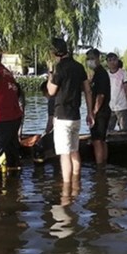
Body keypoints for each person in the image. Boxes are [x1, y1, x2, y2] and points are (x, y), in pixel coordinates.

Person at [47, 37, 94, 184]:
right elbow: (88, 91)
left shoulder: (59, 68)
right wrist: (90, 112)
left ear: (55, 53)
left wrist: (50, 73)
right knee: (74, 151)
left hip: (62, 117)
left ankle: (67, 190)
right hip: (76, 116)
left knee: (64, 154)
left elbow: (51, 91)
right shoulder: (79, 67)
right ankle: (76, 186)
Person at [86, 48, 111, 164]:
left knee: (97, 141)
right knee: (102, 139)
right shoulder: (97, 74)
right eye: (88, 59)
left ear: (97, 58)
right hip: (103, 111)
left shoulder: (101, 74)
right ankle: (104, 164)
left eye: (91, 58)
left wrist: (94, 112)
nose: (89, 61)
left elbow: (100, 95)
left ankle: (100, 166)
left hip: (101, 112)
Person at [106, 52, 127, 132]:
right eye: (110, 60)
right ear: (107, 62)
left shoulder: (123, 73)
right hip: (110, 107)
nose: (112, 62)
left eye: (114, 60)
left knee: (123, 129)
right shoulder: (106, 74)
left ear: (118, 61)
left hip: (122, 106)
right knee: (108, 129)